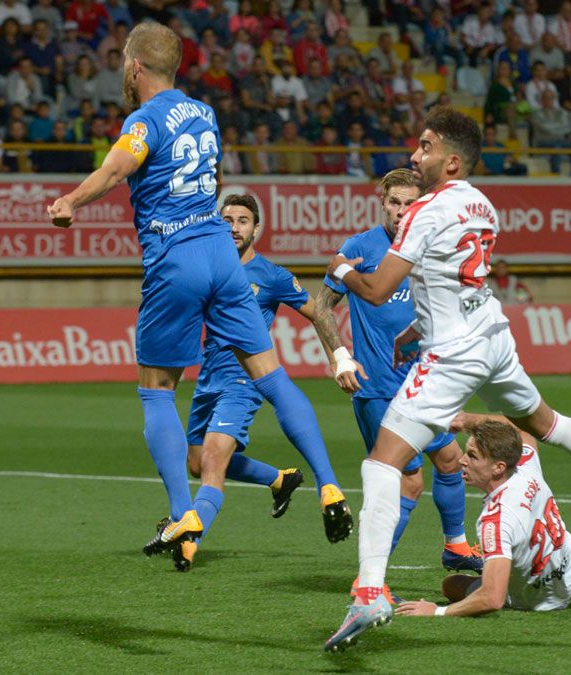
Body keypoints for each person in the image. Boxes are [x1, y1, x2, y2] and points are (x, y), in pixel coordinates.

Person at [323, 106, 571, 652]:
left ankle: (369, 591)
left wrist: (339, 265)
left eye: (424, 146)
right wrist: (415, 327)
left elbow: (371, 289)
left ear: (452, 158)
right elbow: (459, 280)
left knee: (382, 463)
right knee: (546, 421)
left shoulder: (424, 210)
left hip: (453, 356)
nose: (415, 155)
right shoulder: (483, 204)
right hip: (493, 337)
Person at [46, 22, 353, 565]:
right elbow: (206, 183)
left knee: (156, 391)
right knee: (273, 375)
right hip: (219, 252)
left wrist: (71, 200)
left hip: (177, 255)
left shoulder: (143, 120)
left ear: (134, 66)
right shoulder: (204, 113)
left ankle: (182, 509)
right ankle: (328, 484)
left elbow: (118, 167)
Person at [314, 169, 483, 574]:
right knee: (408, 482)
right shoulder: (361, 248)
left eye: (410, 203)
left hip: (424, 385)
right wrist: (340, 356)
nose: (402, 212)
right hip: (378, 391)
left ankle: (456, 547)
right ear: (382, 203)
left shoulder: (432, 245)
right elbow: (321, 307)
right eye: (394, 203)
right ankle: (372, 578)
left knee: (449, 460)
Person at [176, 193, 347, 571]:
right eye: (227, 220)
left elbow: (318, 312)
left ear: (256, 229)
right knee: (195, 463)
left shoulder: (271, 276)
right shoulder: (208, 269)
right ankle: (278, 479)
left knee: (215, 457)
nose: (233, 227)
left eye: (242, 220)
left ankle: (189, 537)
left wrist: (338, 356)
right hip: (208, 379)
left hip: (245, 378)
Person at [396, 415, 571, 617]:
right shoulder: (525, 466)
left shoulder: (494, 520)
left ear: (498, 467)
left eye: (473, 456)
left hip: (535, 600)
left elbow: (492, 598)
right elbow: (523, 428)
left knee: (450, 585)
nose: (462, 461)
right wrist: (470, 419)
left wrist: (436, 612)